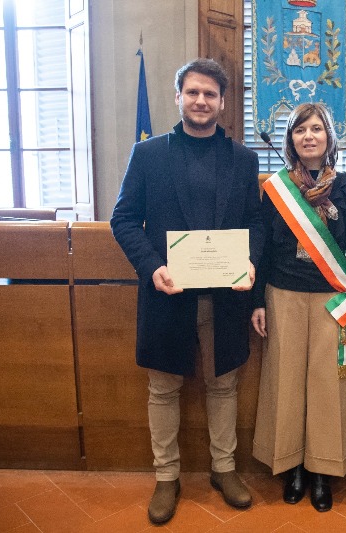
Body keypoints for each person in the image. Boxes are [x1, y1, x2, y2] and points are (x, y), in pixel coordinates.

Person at [110, 58, 264, 525]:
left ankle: (224, 469)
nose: (201, 101)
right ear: (178, 97)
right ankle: (166, 476)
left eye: (210, 94)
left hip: (224, 296)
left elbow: (255, 222)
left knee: (224, 384)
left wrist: (250, 262)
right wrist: (152, 267)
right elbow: (123, 219)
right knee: (163, 388)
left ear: (222, 102)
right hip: (167, 293)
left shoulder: (243, 159)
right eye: (192, 92)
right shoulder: (148, 154)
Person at [251, 103, 346, 512]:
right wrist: (256, 301)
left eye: (317, 128)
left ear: (329, 136)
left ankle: (322, 469)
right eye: (300, 130)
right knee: (284, 381)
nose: (309, 136)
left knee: (328, 385)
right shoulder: (276, 188)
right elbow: (262, 248)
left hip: (332, 297)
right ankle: (291, 466)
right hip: (283, 294)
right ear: (291, 139)